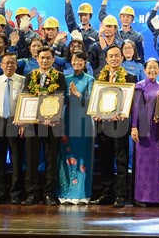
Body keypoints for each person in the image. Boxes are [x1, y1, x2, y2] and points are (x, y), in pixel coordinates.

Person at [89, 44, 137, 208]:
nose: (114, 59)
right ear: (106, 59)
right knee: (105, 161)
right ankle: (106, 194)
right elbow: (95, 101)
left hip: (120, 125)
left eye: (117, 55)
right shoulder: (100, 78)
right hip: (103, 125)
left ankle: (120, 195)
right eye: (111, 56)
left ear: (122, 58)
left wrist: (122, 112)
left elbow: (132, 103)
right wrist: (95, 112)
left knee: (121, 162)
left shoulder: (130, 78)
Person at [22, 46, 67, 206]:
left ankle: (49, 193)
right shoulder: (30, 76)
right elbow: (25, 98)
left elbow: (62, 98)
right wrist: (23, 119)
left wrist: (51, 116)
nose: (45, 61)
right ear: (37, 59)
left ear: (53, 60)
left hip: (52, 125)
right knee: (31, 159)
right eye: (42, 58)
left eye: (48, 58)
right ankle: (32, 193)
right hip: (32, 124)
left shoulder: (59, 77)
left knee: (51, 160)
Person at [0, 53, 25, 205]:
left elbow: (24, 103)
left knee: (16, 159)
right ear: (1, 65)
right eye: (6, 63)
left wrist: (23, 123)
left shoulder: (22, 80)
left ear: (16, 65)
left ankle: (16, 194)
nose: (9, 65)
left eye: (12, 63)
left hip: (15, 121)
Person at [59, 50, 96, 205]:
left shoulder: (90, 79)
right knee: (67, 155)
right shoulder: (65, 79)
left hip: (84, 121)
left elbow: (92, 102)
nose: (77, 63)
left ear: (85, 62)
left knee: (83, 156)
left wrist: (77, 94)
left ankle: (82, 193)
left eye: (80, 60)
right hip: (68, 120)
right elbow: (61, 101)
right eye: (75, 60)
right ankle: (66, 193)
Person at [130, 58, 159, 206]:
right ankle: (141, 198)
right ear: (144, 70)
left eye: (155, 67)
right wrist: (134, 126)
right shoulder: (139, 86)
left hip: (158, 129)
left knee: (156, 164)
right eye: (149, 67)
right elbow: (135, 109)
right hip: (143, 128)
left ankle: (155, 198)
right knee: (142, 163)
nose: (152, 70)